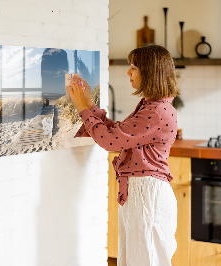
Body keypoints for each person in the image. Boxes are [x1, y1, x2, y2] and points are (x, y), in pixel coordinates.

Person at [67, 44, 179, 266]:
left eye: (134, 67)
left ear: (150, 72)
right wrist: (89, 103)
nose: (128, 72)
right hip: (142, 193)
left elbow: (110, 141)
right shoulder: (152, 106)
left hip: (147, 195)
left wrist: (82, 107)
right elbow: (118, 133)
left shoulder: (156, 111)